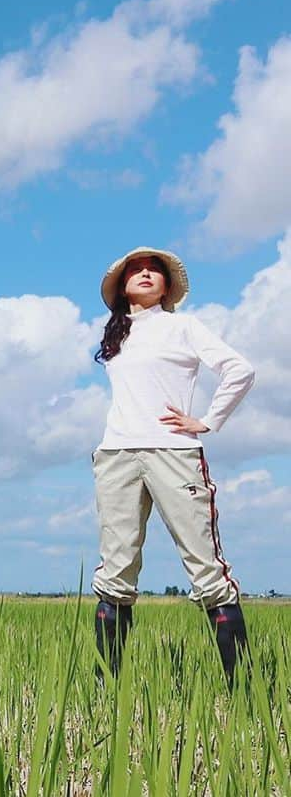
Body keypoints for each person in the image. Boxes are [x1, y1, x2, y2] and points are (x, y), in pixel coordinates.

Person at [92, 246, 255, 687]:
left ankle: (242, 690)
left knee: (206, 569)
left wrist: (207, 420)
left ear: (167, 286)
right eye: (136, 270)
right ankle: (105, 688)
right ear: (122, 286)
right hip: (117, 456)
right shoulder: (117, 336)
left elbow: (239, 370)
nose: (145, 274)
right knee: (115, 571)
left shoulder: (183, 326)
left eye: (154, 270)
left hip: (172, 453)